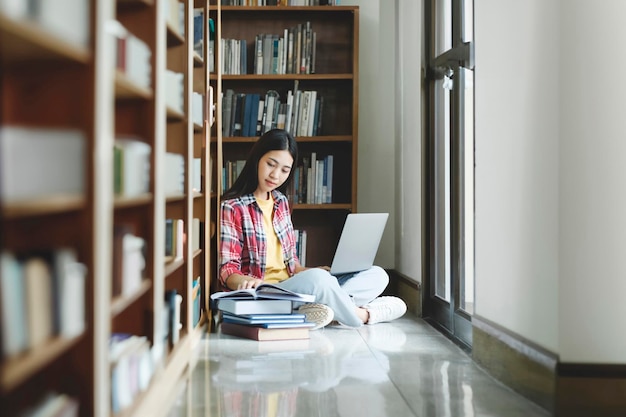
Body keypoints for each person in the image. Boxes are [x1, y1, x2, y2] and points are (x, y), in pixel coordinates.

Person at [219, 128, 407, 329]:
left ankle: (324, 308)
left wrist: (312, 272)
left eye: (285, 170)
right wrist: (245, 281)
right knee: (319, 280)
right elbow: (228, 269)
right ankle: (361, 315)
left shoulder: (280, 202)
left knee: (377, 274)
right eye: (270, 164)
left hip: (294, 287)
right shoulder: (233, 207)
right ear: (257, 159)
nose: (275, 175)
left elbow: (292, 265)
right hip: (268, 292)